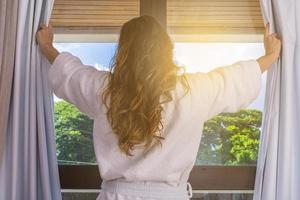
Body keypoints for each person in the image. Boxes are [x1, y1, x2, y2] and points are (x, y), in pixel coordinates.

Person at [36, 15, 281, 200]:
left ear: (123, 51)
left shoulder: (105, 90)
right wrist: (270, 56)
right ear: (167, 50)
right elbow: (233, 79)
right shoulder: (192, 90)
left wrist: (46, 45)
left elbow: (71, 74)